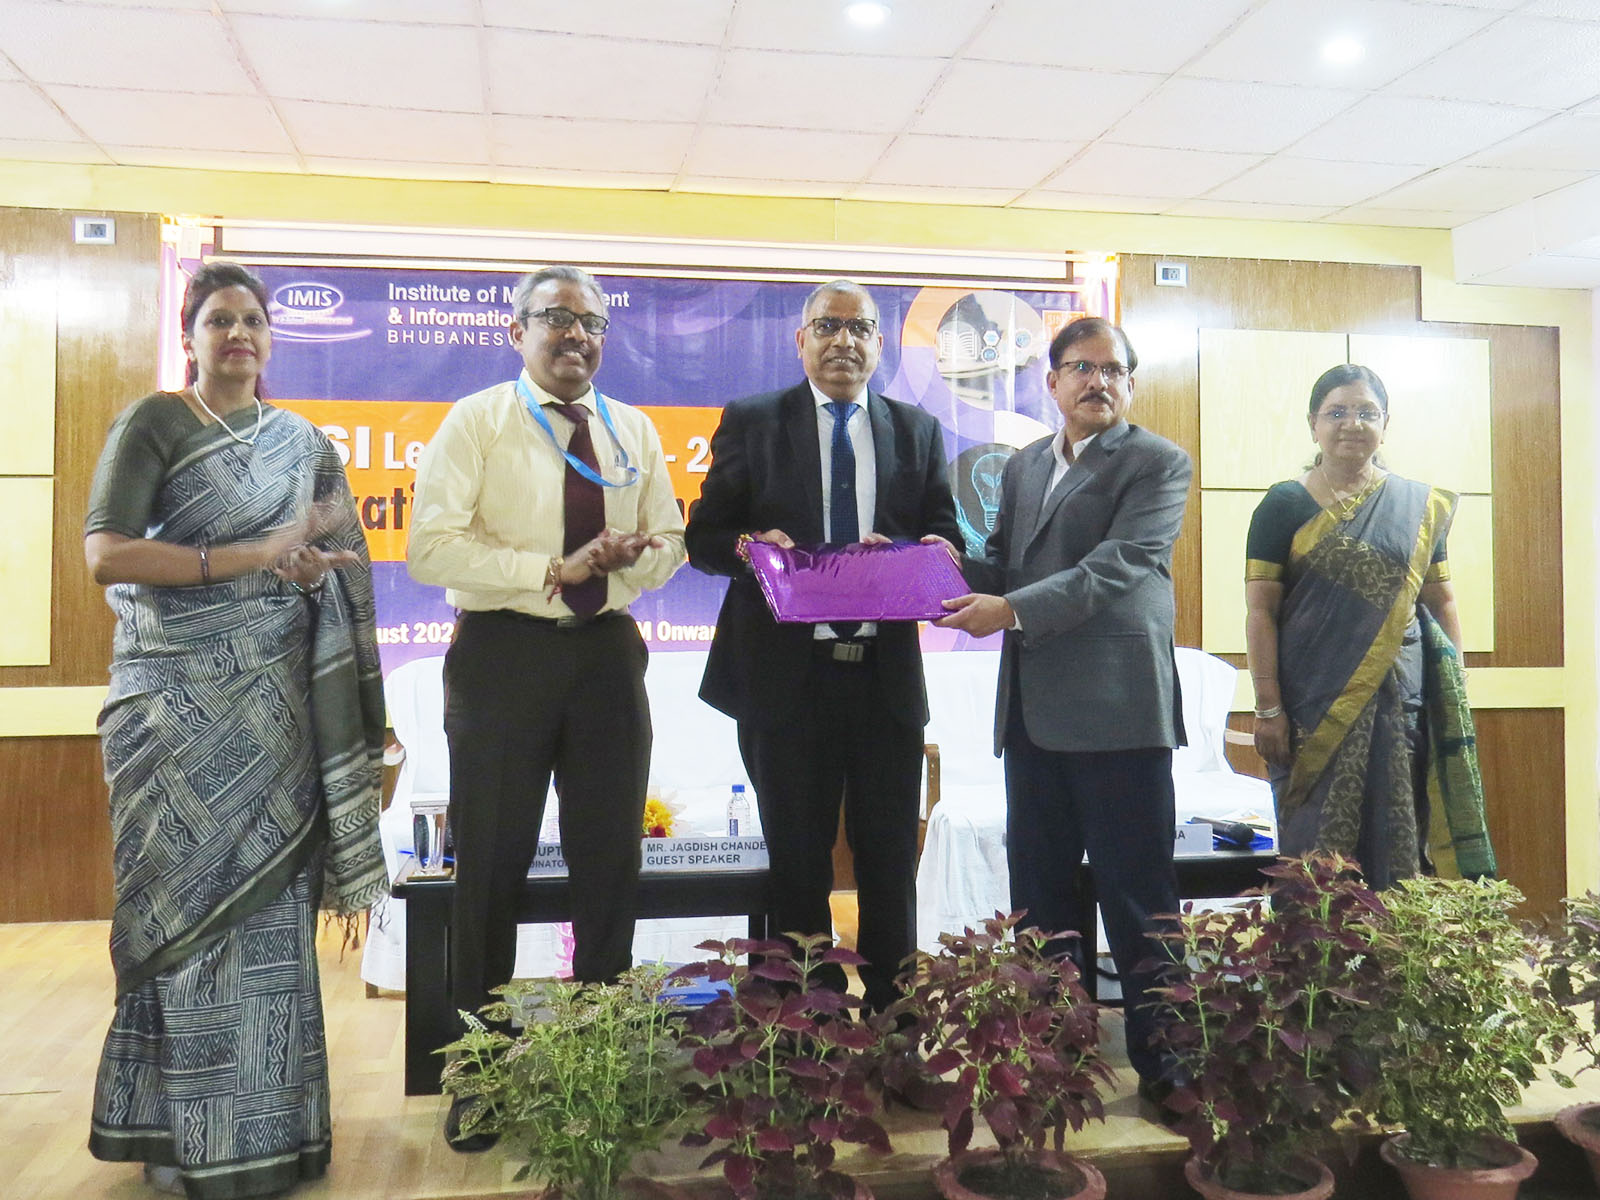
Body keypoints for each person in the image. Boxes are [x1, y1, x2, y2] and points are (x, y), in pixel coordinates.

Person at [84, 262, 387, 1198]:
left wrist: (307, 570)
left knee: (269, 925)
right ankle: (178, 1138)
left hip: (272, 712)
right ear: (190, 335)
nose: (239, 334)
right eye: (220, 319)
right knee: (174, 918)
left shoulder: (302, 443)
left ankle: (271, 1136)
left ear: (270, 337)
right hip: (169, 710)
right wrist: (254, 554)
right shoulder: (154, 423)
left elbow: (333, 560)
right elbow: (106, 555)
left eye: (253, 319)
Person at [408, 265, 685, 1148]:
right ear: (516, 330)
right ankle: (481, 1072)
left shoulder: (632, 428)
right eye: (556, 318)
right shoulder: (478, 421)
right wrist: (551, 572)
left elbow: (672, 541)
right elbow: (429, 548)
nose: (576, 335)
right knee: (491, 866)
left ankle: (600, 1059)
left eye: (591, 323)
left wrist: (630, 558)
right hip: (503, 656)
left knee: (610, 864)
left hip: (606, 656)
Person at [933, 315, 1190, 1105]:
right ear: (1051, 383)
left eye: (1114, 370)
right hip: (1033, 717)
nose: (1098, 382)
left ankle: (1168, 1069)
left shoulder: (1156, 462)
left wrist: (1009, 609)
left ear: (1130, 384)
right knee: (1040, 905)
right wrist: (937, 567)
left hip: (1119, 713)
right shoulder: (1025, 466)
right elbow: (1005, 566)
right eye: (1082, 368)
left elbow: (1118, 567)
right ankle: (1052, 1061)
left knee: (1138, 902)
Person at [686, 279, 960, 1015]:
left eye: (860, 328)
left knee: (888, 856)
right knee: (797, 861)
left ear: (880, 343)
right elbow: (704, 537)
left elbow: (945, 533)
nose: (844, 341)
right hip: (785, 680)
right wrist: (752, 548)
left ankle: (895, 1015)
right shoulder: (754, 420)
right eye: (828, 326)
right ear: (800, 339)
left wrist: (914, 553)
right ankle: (808, 1019)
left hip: (882, 678)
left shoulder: (916, 429)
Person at [1244, 363, 1492, 887]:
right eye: (1336, 412)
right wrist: (1268, 707)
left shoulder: (1417, 508)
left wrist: (1454, 690)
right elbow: (1261, 611)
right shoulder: (1283, 505)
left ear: (1386, 424)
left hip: (1399, 700)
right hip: (1310, 704)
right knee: (1311, 852)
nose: (1352, 424)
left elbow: (1441, 601)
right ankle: (1316, 943)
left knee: (1400, 837)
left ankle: (1397, 942)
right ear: (1313, 423)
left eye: (1366, 412)